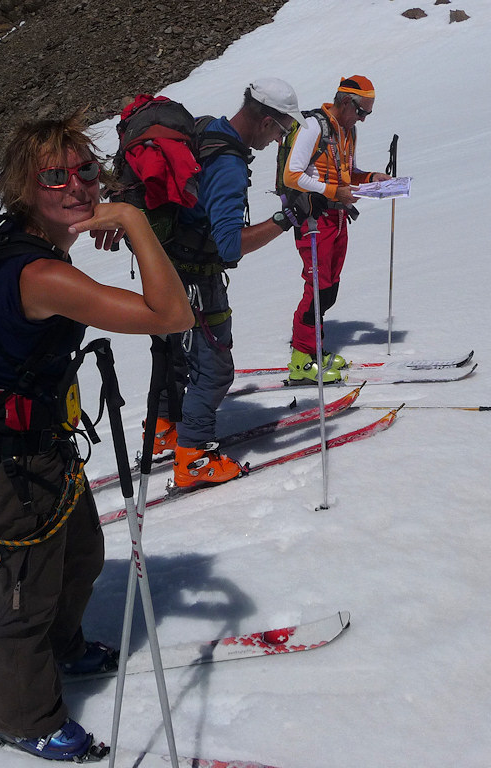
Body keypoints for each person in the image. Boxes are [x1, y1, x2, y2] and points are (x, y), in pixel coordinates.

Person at [0, 109, 192, 761]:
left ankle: (64, 649)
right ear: (24, 190)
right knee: (23, 594)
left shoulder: (33, 252)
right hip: (7, 464)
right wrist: (135, 221)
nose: (78, 185)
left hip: (41, 454)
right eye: (54, 176)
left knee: (81, 554)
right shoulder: (43, 276)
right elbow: (171, 315)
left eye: (86, 169)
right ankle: (18, 717)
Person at [156, 78, 306, 490]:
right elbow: (228, 247)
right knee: (215, 369)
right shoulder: (228, 164)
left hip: (165, 267)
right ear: (265, 120)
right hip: (196, 278)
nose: (279, 140)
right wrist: (286, 219)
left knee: (177, 355)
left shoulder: (205, 129)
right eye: (280, 130)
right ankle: (193, 456)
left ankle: (164, 430)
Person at [280, 75, 391, 383]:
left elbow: (346, 173)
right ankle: (301, 361)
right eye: (362, 111)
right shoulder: (314, 126)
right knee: (316, 288)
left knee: (329, 288)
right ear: (345, 102)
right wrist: (332, 192)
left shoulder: (347, 130)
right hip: (314, 219)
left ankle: (315, 350)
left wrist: (370, 178)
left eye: (368, 113)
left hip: (337, 219)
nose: (364, 119)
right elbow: (292, 176)